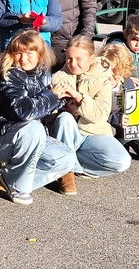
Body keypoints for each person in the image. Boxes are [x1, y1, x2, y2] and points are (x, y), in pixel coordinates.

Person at [0, 30, 78, 203]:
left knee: (67, 159)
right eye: (18, 53)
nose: (23, 58)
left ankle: (11, 178)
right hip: (1, 137)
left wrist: (63, 101)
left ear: (40, 54)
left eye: (29, 53)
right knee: (34, 127)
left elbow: (43, 105)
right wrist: (52, 96)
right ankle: (17, 185)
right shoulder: (8, 74)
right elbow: (24, 112)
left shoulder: (43, 72)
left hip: (30, 137)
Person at [48, 36, 132, 178]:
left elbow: (100, 116)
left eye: (79, 59)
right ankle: (66, 174)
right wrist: (63, 108)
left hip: (93, 132)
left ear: (91, 58)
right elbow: (49, 116)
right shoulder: (58, 78)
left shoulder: (103, 78)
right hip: (66, 135)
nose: (73, 64)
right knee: (65, 118)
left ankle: (73, 165)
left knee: (122, 161)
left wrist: (79, 98)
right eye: (69, 58)